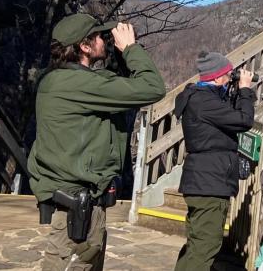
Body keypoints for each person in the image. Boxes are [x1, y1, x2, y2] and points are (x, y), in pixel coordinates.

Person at [29, 14, 166, 271]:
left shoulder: (55, 79)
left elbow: (115, 88)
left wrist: (122, 60)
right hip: (78, 208)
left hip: (70, 200)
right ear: (84, 45)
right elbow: (153, 87)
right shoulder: (81, 84)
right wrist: (131, 50)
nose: (105, 40)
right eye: (100, 36)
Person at [173, 52, 257, 271]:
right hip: (209, 184)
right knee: (205, 248)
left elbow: (230, 113)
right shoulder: (205, 102)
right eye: (229, 75)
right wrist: (246, 89)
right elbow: (244, 120)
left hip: (204, 181)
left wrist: (239, 92)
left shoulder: (202, 98)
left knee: (196, 246)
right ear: (218, 77)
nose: (231, 79)